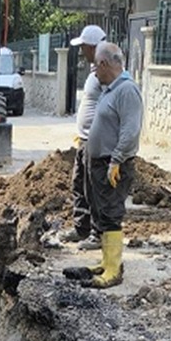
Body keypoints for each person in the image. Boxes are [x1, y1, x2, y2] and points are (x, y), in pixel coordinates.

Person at [81, 40, 143, 289]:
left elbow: (130, 131)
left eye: (96, 66)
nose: (95, 71)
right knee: (101, 212)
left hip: (112, 163)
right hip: (99, 161)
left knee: (111, 214)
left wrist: (116, 160)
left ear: (105, 64)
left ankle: (114, 269)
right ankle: (106, 261)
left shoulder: (127, 90)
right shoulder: (111, 88)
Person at [62, 24, 106, 250]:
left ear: (92, 47)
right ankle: (81, 228)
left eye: (83, 47)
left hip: (95, 140)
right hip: (84, 139)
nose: (81, 52)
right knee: (79, 184)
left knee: (94, 188)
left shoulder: (106, 71)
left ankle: (98, 235)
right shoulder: (93, 71)